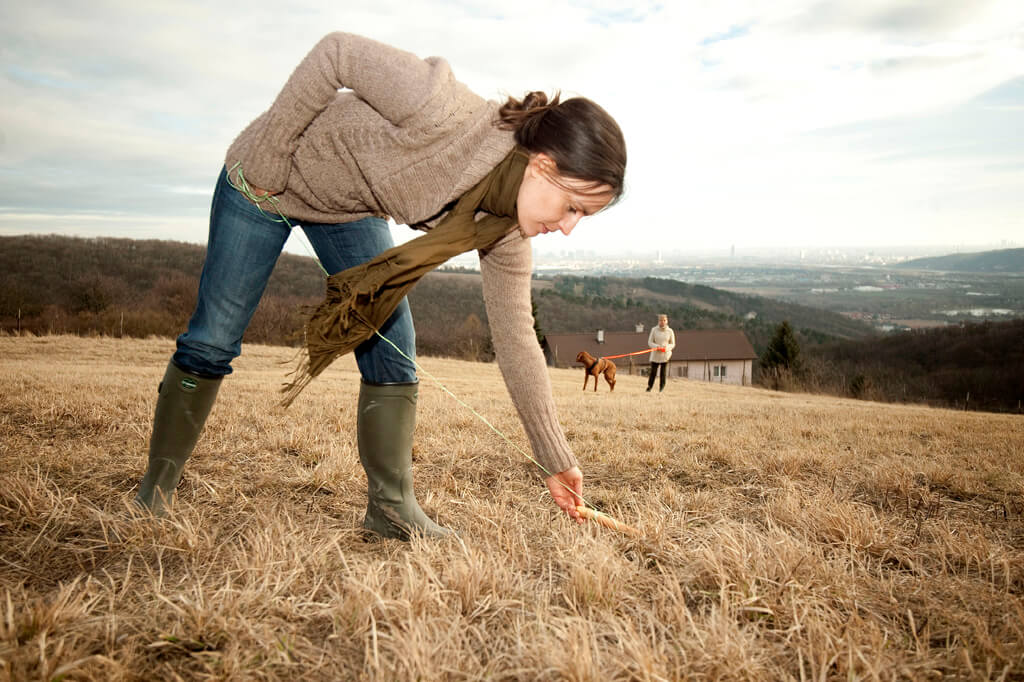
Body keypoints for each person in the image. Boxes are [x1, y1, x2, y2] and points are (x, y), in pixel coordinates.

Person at [132, 32, 627, 540]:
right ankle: (157, 489)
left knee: (395, 351)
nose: (568, 227)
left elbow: (518, 340)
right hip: (267, 182)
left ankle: (390, 510)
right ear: (543, 165)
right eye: (573, 207)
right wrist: (269, 156)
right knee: (215, 337)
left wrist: (555, 458)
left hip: (345, 207)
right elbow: (337, 53)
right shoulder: (442, 108)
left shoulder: (504, 231)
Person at [646, 314, 675, 392]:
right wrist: (657, 346)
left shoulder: (670, 331)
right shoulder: (654, 330)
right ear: (658, 321)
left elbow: (672, 344)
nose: (662, 322)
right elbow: (650, 342)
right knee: (653, 372)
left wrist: (666, 348)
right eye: (661, 320)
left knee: (663, 372)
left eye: (664, 320)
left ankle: (661, 388)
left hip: (665, 355)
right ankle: (649, 387)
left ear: (667, 321)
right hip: (655, 354)